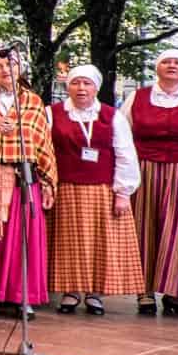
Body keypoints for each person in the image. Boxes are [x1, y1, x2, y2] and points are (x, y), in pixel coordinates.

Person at [0, 50, 57, 315]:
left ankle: (21, 295)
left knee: (23, 238)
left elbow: (43, 144)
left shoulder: (33, 101)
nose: (6, 70)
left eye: (12, 65)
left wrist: (49, 182)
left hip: (23, 179)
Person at [50, 65, 144, 315]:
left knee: (100, 242)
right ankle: (70, 290)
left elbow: (125, 154)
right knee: (68, 242)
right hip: (66, 188)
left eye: (87, 84)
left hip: (102, 189)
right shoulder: (53, 113)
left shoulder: (112, 116)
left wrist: (123, 192)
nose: (81, 88)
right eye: (76, 83)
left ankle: (94, 293)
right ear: (67, 86)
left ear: (96, 87)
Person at [123, 48, 178, 315]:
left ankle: (174, 291)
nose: (172, 66)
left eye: (177, 62)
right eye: (166, 62)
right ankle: (144, 291)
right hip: (145, 170)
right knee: (144, 227)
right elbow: (123, 135)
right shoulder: (137, 97)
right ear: (157, 68)